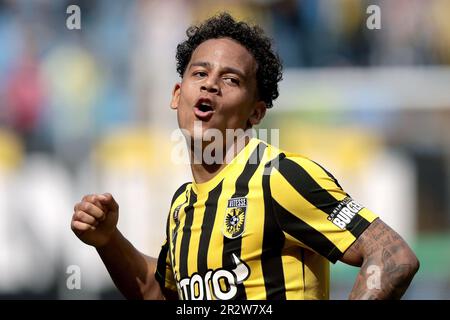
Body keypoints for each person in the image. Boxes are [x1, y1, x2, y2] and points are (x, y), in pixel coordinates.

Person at [71, 13, 419, 300]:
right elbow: (156, 292)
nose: (210, 85)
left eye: (231, 79)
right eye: (200, 73)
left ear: (255, 113)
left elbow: (393, 258)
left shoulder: (280, 177)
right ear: (178, 94)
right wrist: (108, 241)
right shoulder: (182, 206)